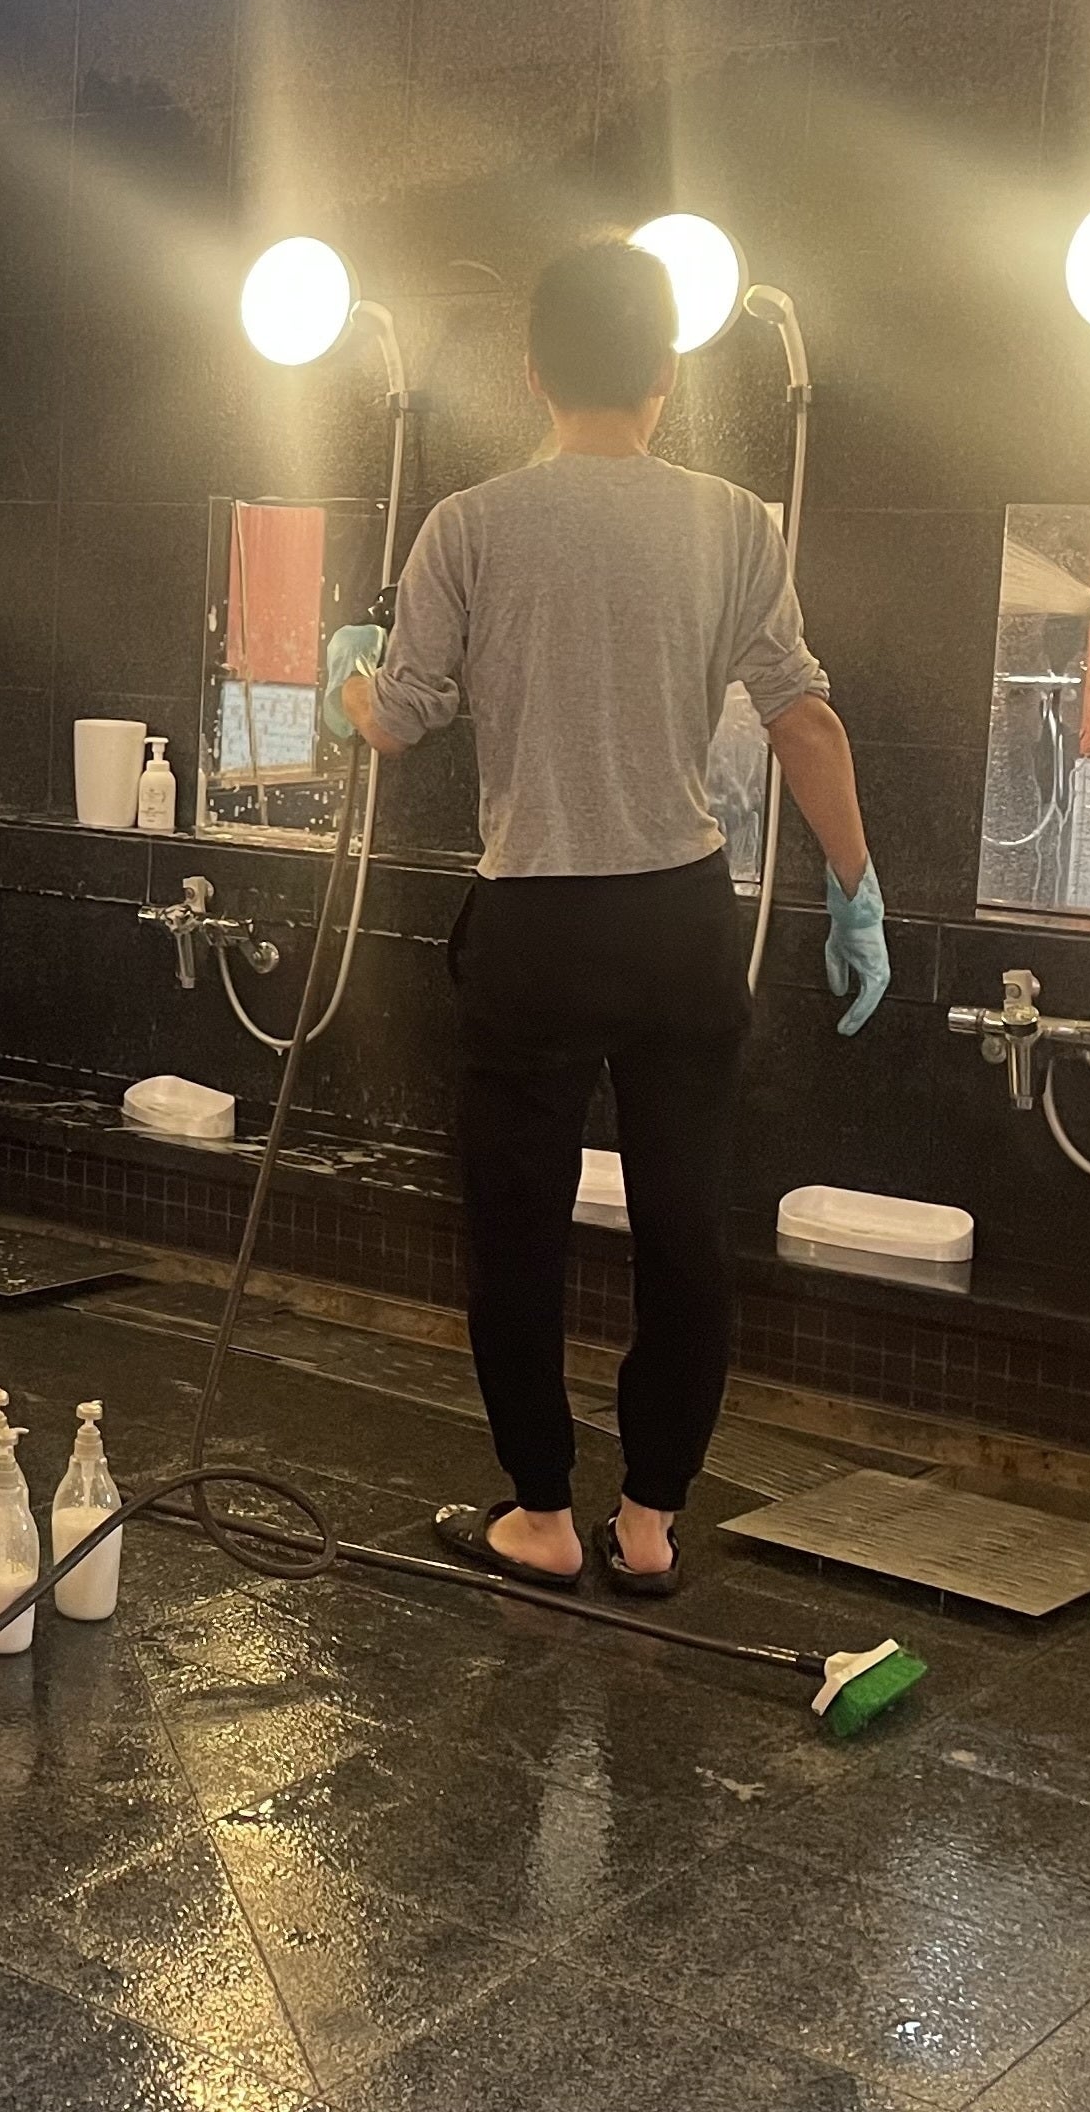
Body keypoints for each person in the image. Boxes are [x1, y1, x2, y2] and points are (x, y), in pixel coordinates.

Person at [335, 239, 884, 1596]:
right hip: (677, 919)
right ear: (664, 373)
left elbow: (396, 724)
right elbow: (803, 719)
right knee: (684, 1227)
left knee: (514, 1231)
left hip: (533, 922)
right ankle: (647, 1523)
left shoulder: (468, 525)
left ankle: (538, 1513)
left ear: (532, 371)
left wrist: (351, 676)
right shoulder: (734, 523)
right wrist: (856, 888)